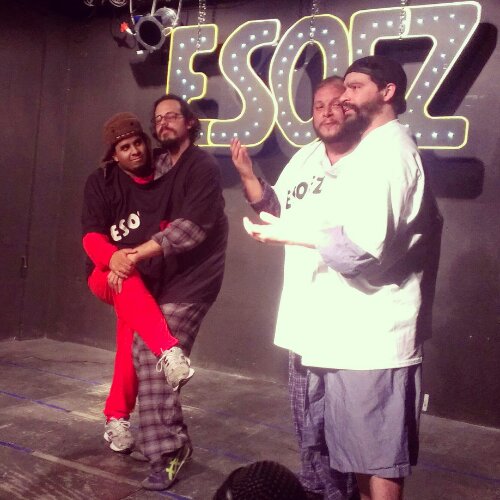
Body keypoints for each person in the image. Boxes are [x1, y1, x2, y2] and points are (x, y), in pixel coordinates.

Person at [232, 56, 442, 500]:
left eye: (353, 88)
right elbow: (296, 212)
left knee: (376, 461)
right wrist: (261, 195)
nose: (342, 100)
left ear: (387, 92)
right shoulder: (353, 153)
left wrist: (291, 234)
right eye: (331, 96)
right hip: (328, 334)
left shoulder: (391, 152)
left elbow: (365, 248)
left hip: (371, 338)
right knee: (337, 453)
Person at [83, 97, 228, 490]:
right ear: (113, 154)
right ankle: (128, 411)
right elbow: (91, 236)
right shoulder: (138, 172)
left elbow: (190, 229)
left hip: (185, 279)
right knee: (135, 343)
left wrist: (129, 257)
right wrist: (115, 259)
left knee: (140, 348)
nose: (134, 151)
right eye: (158, 118)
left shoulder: (197, 166)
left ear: (190, 122)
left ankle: (160, 445)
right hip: (129, 273)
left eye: (137, 143)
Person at [231, 76, 360, 500]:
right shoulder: (304, 159)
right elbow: (275, 207)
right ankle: (315, 489)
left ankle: (340, 493)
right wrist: (248, 175)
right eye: (319, 105)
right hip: (303, 313)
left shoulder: (369, 159)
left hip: (348, 318)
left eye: (335, 103)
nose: (327, 112)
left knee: (341, 427)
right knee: (307, 423)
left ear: (351, 106)